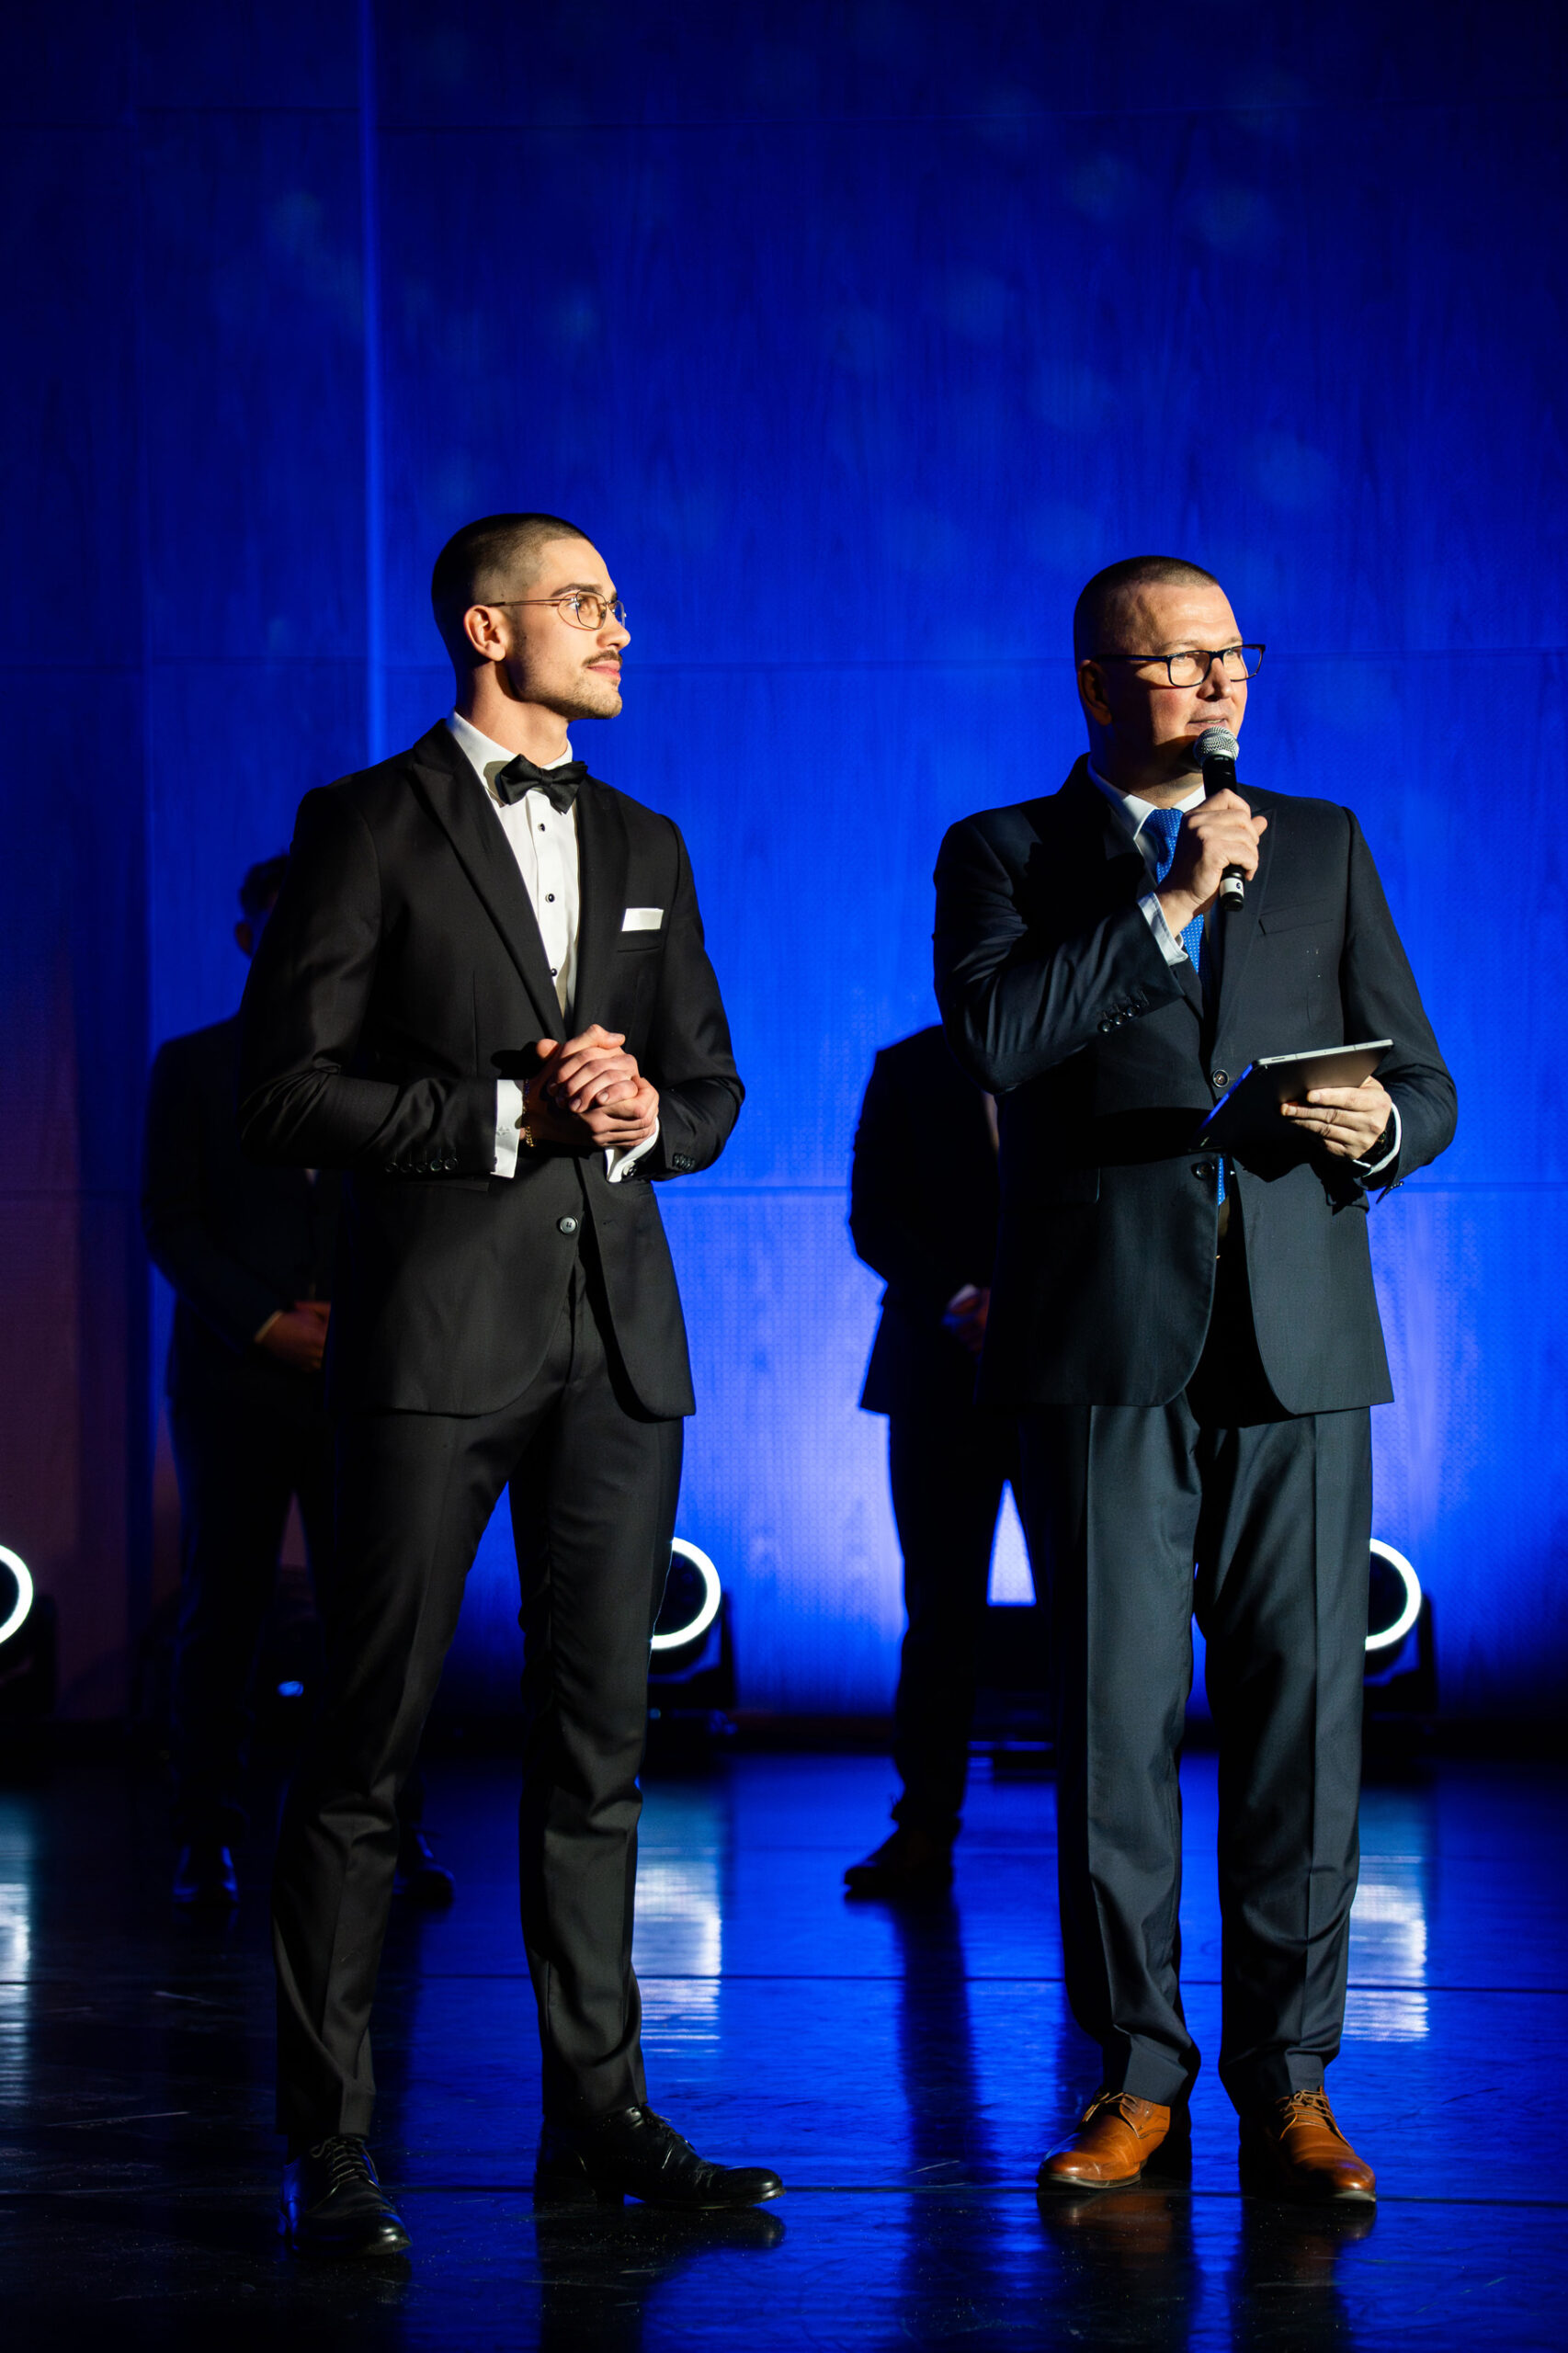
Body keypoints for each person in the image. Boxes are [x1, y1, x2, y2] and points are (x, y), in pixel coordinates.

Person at [240, 512, 782, 2256]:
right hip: (428, 1348)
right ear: (488, 630)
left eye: (618, 604)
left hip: (617, 1351)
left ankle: (597, 2119)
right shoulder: (362, 823)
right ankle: (331, 2139)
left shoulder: (646, 839)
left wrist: (641, 1115)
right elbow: (283, 1093)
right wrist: (501, 1116)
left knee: (601, 1754)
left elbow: (710, 1093)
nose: (618, 631)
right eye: (584, 604)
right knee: (364, 1749)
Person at [934, 555, 1455, 2204]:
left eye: (1232, 654)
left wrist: (1382, 1126)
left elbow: (1423, 1074)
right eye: (1179, 660)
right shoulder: (1003, 851)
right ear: (1096, 682)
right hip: (1101, 1335)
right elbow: (1000, 1042)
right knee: (1112, 1719)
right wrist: (1163, 908)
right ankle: (1135, 2075)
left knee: (1304, 1719)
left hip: (1296, 1334)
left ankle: (1292, 2083)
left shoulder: (1327, 840)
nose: (1219, 684)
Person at [141, 858, 452, 1911]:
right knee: (222, 1605)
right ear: (247, 940)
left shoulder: (388, 1069)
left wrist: (357, 1323)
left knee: (374, 1614)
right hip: (232, 1377)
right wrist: (268, 1323)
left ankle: (389, 1831)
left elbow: (425, 1222)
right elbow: (169, 1222)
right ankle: (205, 1834)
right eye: (281, 927)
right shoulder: (193, 1065)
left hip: (364, 1375)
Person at [843, 1024, 1028, 1897]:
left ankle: (1110, 1837)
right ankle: (922, 1826)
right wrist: (962, 1300)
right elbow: (873, 1217)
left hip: (1064, 1373)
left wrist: (1022, 1307)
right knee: (938, 1608)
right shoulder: (910, 1066)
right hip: (936, 1371)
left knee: (1094, 1615)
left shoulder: (1082, 1053)